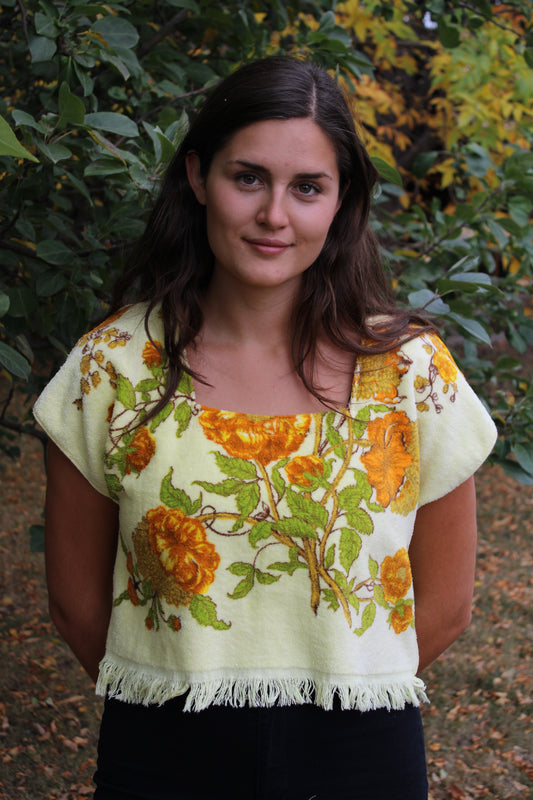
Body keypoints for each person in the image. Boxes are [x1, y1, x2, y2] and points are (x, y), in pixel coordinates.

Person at [34, 56, 497, 800]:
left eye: (307, 187)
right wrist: (181, 701)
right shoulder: (111, 368)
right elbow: (76, 604)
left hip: (360, 759)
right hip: (163, 754)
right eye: (247, 178)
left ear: (341, 201)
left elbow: (446, 605)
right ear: (197, 176)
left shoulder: (410, 374)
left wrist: (338, 699)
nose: (274, 215)